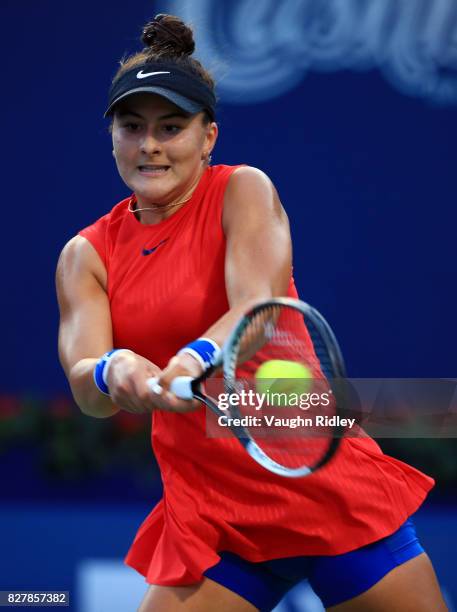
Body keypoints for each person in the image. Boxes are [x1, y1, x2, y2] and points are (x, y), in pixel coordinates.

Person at [56, 14, 447, 612]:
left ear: (208, 136)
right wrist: (114, 370)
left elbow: (260, 308)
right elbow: (88, 387)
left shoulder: (244, 191)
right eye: (132, 127)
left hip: (324, 485)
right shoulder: (86, 255)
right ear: (111, 135)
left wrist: (193, 357)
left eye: (171, 127)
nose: (150, 145)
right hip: (216, 515)